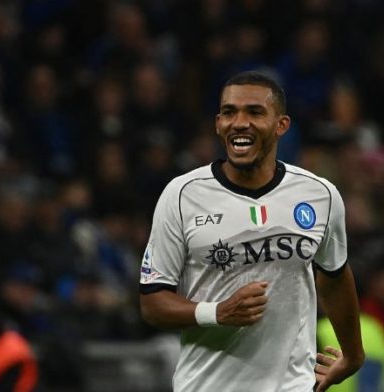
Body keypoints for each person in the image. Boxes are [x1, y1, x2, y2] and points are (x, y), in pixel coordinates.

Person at [139, 71, 364, 391]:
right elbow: (152, 303)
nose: (240, 122)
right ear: (218, 124)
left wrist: (353, 355)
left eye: (255, 112)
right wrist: (218, 312)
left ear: (281, 125)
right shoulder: (182, 195)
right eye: (229, 112)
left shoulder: (320, 195)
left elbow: (335, 274)